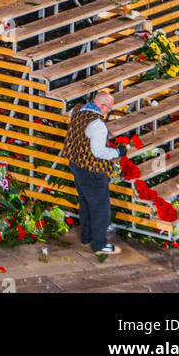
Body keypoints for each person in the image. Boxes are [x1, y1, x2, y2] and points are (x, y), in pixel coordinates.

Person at [62, 90, 123, 259]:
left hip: (75, 163)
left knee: (85, 202)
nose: (108, 112)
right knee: (101, 208)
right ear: (102, 105)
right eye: (108, 109)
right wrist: (118, 152)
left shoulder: (78, 110)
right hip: (91, 169)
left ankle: (86, 237)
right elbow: (98, 152)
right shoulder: (97, 125)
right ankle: (99, 244)